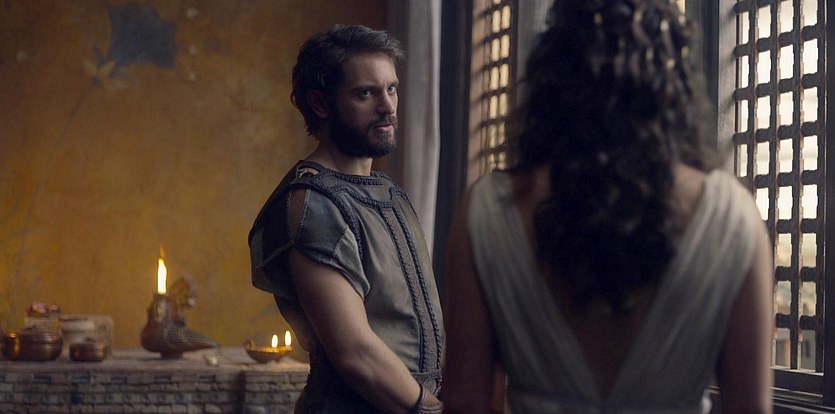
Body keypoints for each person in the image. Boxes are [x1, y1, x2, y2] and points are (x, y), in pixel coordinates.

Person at [442, 0, 773, 413]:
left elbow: (464, 402)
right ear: (673, 83)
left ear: (554, 73)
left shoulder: (488, 212)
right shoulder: (732, 219)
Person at [248, 24, 444, 414]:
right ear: (321, 104)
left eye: (391, 88)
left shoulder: (388, 191)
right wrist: (432, 409)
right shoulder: (312, 203)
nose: (387, 106)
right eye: (366, 93)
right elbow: (355, 352)